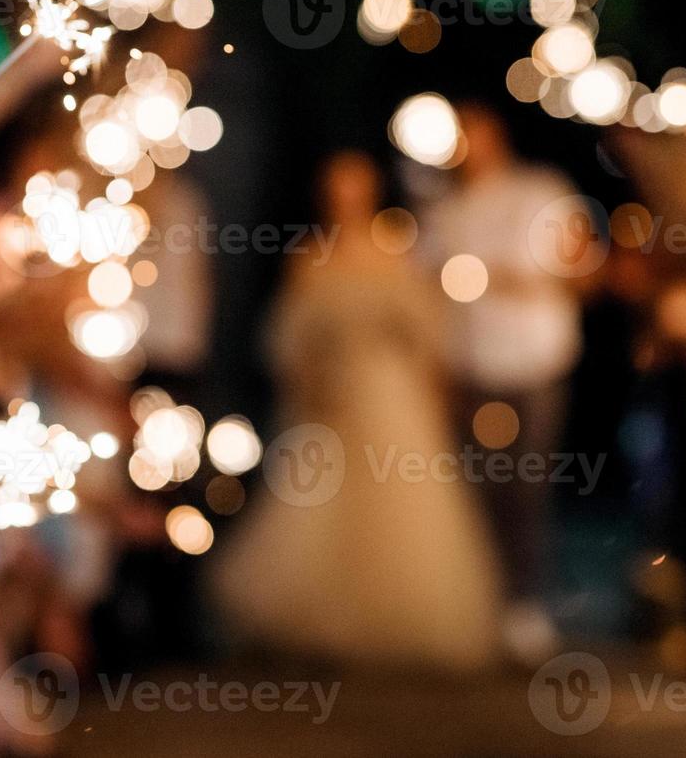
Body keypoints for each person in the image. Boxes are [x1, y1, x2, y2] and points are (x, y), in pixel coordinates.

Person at [211, 151, 503, 671]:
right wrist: (314, 379)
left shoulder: (396, 250)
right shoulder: (310, 256)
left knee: (399, 501)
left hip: (391, 395)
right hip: (331, 396)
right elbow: (288, 337)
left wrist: (428, 383)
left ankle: (402, 617)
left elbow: (427, 331)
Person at [422, 102, 587, 660]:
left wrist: (501, 278)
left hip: (534, 361)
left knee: (526, 487)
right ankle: (482, 606)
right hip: (469, 368)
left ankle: (527, 606)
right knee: (475, 489)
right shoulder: (444, 210)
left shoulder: (539, 191)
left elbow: (577, 265)